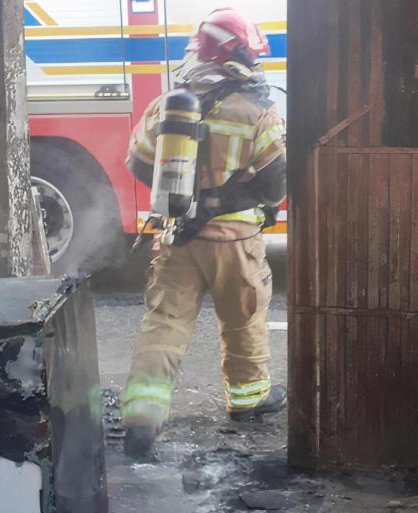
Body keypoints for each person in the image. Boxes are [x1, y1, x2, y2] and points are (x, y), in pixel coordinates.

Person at [121, 8, 288, 457]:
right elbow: (277, 185)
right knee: (243, 320)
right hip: (234, 243)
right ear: (241, 56)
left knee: (164, 323)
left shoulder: (167, 105)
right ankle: (249, 401)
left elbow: (137, 163)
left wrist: (186, 197)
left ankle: (142, 416)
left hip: (177, 237)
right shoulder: (256, 111)